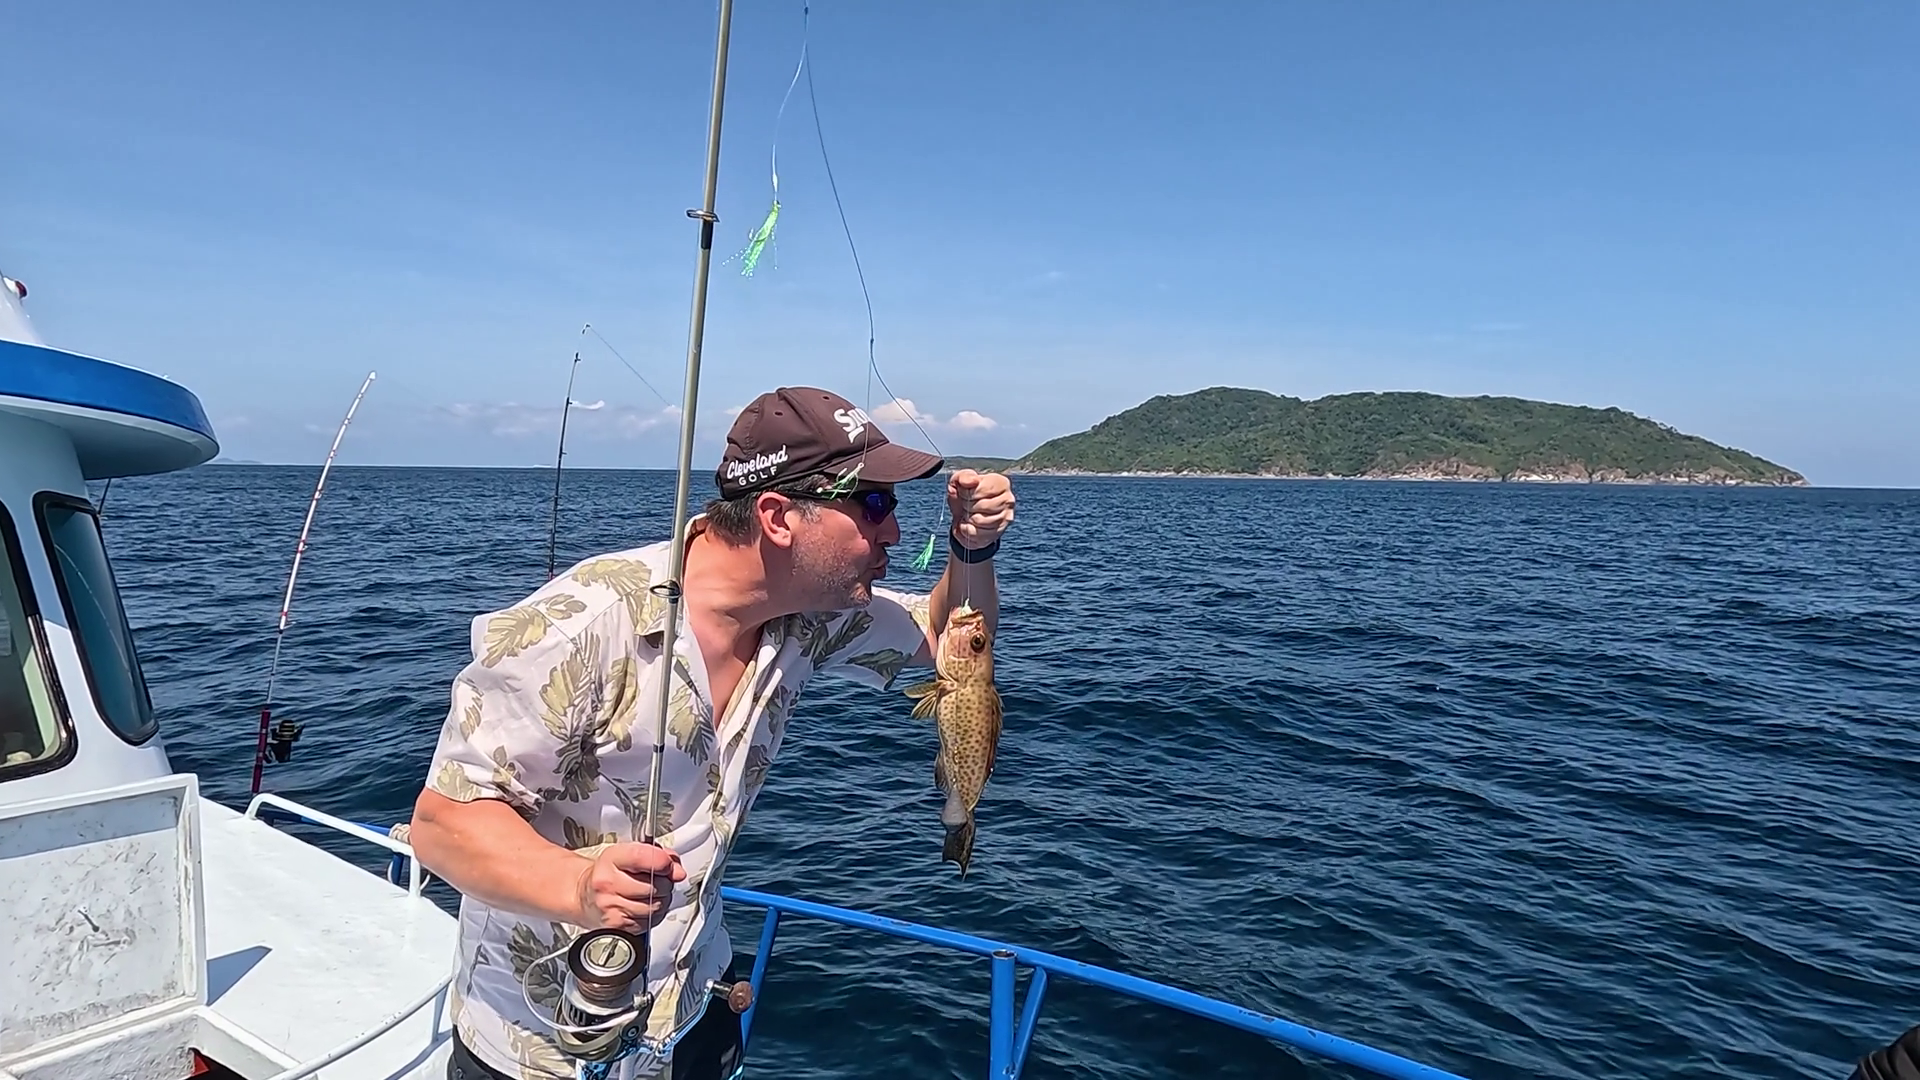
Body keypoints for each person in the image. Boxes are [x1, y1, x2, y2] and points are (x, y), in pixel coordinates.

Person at [408, 385, 1015, 1080]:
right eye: (873, 505)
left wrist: (973, 549)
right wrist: (578, 886)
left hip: (696, 1011)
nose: (895, 534)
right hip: (539, 1044)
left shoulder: (807, 619)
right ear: (777, 516)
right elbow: (443, 824)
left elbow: (951, 640)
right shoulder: (576, 626)